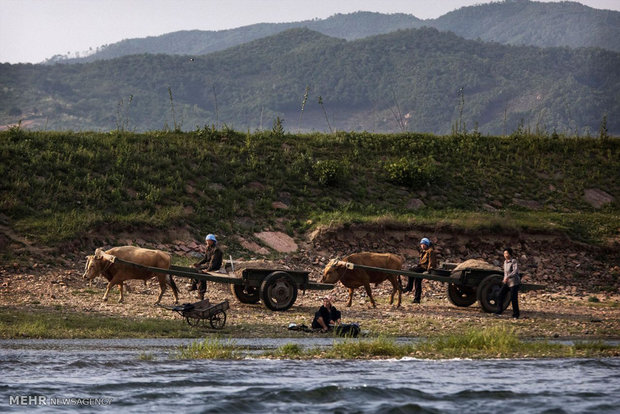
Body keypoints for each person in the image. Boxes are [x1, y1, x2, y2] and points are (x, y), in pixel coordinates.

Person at [189, 234, 223, 301]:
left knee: (201, 274)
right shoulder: (208, 247)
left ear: (213, 241)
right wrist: (198, 263)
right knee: (195, 269)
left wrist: (208, 270)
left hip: (215, 266)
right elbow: (205, 259)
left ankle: (201, 294)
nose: (207, 242)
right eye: (207, 241)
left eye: (209, 241)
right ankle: (194, 286)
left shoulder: (216, 250)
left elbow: (214, 262)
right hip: (208, 264)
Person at [403, 237, 437, 303]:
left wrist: (429, 270)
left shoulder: (430, 251)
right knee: (417, 282)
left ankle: (409, 287)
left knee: (411, 271)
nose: (422, 246)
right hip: (421, 267)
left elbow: (431, 261)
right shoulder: (424, 251)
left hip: (424, 268)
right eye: (421, 244)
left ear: (426, 245)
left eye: (423, 244)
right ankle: (417, 299)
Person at [495, 247, 521, 319]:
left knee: (513, 298)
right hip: (507, 282)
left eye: (506, 253)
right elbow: (505, 272)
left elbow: (515, 271)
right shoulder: (505, 262)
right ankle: (499, 311)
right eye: (504, 253)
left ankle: (516, 314)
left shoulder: (513, 261)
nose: (505, 255)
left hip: (514, 282)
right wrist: (504, 278)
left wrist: (508, 277)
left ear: (510, 254)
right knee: (500, 295)